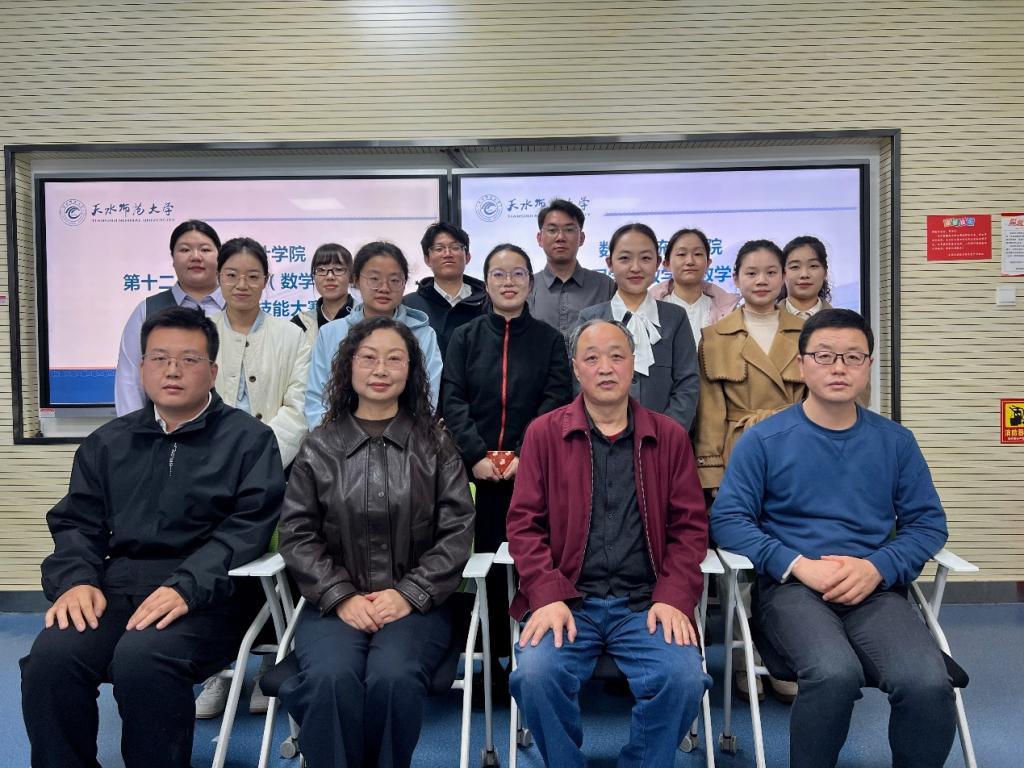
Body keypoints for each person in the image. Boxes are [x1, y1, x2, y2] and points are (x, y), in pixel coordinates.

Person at [21, 306, 285, 768]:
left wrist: (186, 586)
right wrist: (76, 580)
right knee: (51, 659)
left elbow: (247, 529)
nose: (173, 370)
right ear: (141, 368)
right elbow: (78, 523)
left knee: (144, 660)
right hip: (117, 588)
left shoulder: (249, 440)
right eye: (160, 358)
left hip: (210, 595)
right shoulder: (108, 442)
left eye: (189, 359)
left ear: (213, 371)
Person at [711, 308, 955, 768]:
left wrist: (877, 566)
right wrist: (797, 564)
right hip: (791, 591)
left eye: (852, 357)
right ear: (801, 364)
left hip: (874, 590)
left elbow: (927, 524)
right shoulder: (764, 440)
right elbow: (728, 520)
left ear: (868, 365)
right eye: (824, 356)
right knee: (833, 674)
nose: (839, 367)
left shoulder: (895, 442)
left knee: (927, 682)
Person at [507, 318, 710, 768]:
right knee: (535, 676)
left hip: (645, 603)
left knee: (684, 679)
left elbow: (690, 529)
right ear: (575, 367)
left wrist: (674, 596)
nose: (605, 368)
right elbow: (523, 525)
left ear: (633, 364)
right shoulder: (543, 433)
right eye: (592, 358)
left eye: (617, 356)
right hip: (569, 601)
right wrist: (546, 594)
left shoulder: (669, 436)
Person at [278, 316, 475, 768]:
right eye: (368, 358)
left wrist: (408, 594)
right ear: (348, 367)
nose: (380, 369)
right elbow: (298, 534)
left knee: (393, 677)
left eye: (394, 359)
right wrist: (340, 595)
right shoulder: (318, 447)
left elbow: (457, 532)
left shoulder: (436, 445)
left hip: (417, 605)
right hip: (334, 605)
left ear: (411, 371)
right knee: (330, 678)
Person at [442, 243, 572, 693]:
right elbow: (452, 398)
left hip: (532, 472)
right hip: (475, 475)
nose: (509, 282)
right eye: (499, 274)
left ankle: (537, 655)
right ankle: (492, 659)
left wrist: (521, 455)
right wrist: (476, 455)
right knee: (485, 567)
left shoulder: (549, 340)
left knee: (532, 561)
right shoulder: (465, 337)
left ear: (530, 283)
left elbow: (555, 399)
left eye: (518, 273)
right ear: (486, 283)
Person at [694, 238, 806, 701]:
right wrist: (711, 477)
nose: (761, 281)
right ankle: (746, 659)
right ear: (735, 278)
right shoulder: (715, 337)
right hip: (739, 458)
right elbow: (709, 415)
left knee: (795, 559)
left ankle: (789, 657)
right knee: (740, 565)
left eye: (771, 272)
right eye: (751, 273)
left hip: (800, 458)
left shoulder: (809, 332)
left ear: (783, 278)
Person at [305, 241, 443, 429]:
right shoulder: (330, 333)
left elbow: (427, 398)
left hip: (406, 440)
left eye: (394, 280)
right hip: (337, 441)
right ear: (356, 280)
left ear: (404, 283)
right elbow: (317, 400)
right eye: (374, 279)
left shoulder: (424, 334)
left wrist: (400, 440)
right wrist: (333, 440)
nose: (384, 288)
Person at [578, 223, 699, 430]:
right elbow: (580, 383)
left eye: (645, 258)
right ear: (609, 263)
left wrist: (668, 434)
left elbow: (687, 384)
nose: (635, 267)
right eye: (625, 258)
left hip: (664, 438)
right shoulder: (590, 318)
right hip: (601, 437)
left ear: (658, 263)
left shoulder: (675, 317)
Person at [211, 237, 310, 468]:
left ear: (266, 280)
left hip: (273, 459)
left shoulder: (292, 336)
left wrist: (265, 454)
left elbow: (299, 406)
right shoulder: (201, 333)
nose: (242, 285)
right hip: (210, 458)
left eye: (253, 277)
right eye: (231, 275)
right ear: (218, 277)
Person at [115, 220, 225, 415]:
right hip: (163, 427)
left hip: (233, 426)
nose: (196, 257)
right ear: (173, 259)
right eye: (185, 250)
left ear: (220, 257)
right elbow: (129, 382)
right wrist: (134, 429)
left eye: (205, 250)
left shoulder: (241, 307)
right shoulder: (148, 310)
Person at [528, 198, 615, 344]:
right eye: (552, 230)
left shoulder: (605, 285)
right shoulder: (527, 287)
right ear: (539, 238)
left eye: (569, 230)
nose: (560, 237)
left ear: (581, 238)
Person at [402, 222, 486, 356]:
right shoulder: (409, 305)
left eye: (455, 247)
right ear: (427, 259)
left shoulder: (487, 302)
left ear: (467, 257)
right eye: (439, 249)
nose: (447, 254)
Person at [649, 227, 740, 347]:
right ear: (667, 264)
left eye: (697, 254)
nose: (690, 261)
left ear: (708, 263)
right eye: (681, 254)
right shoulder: (648, 307)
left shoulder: (729, 310)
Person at [292, 243, 356, 348]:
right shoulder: (300, 323)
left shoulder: (365, 318)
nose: (329, 276)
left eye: (338, 269)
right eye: (321, 270)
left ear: (351, 276)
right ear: (313, 276)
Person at [781, 235, 832, 318]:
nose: (804, 274)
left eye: (813, 266)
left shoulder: (844, 323)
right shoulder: (763, 321)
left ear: (825, 272)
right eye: (795, 267)